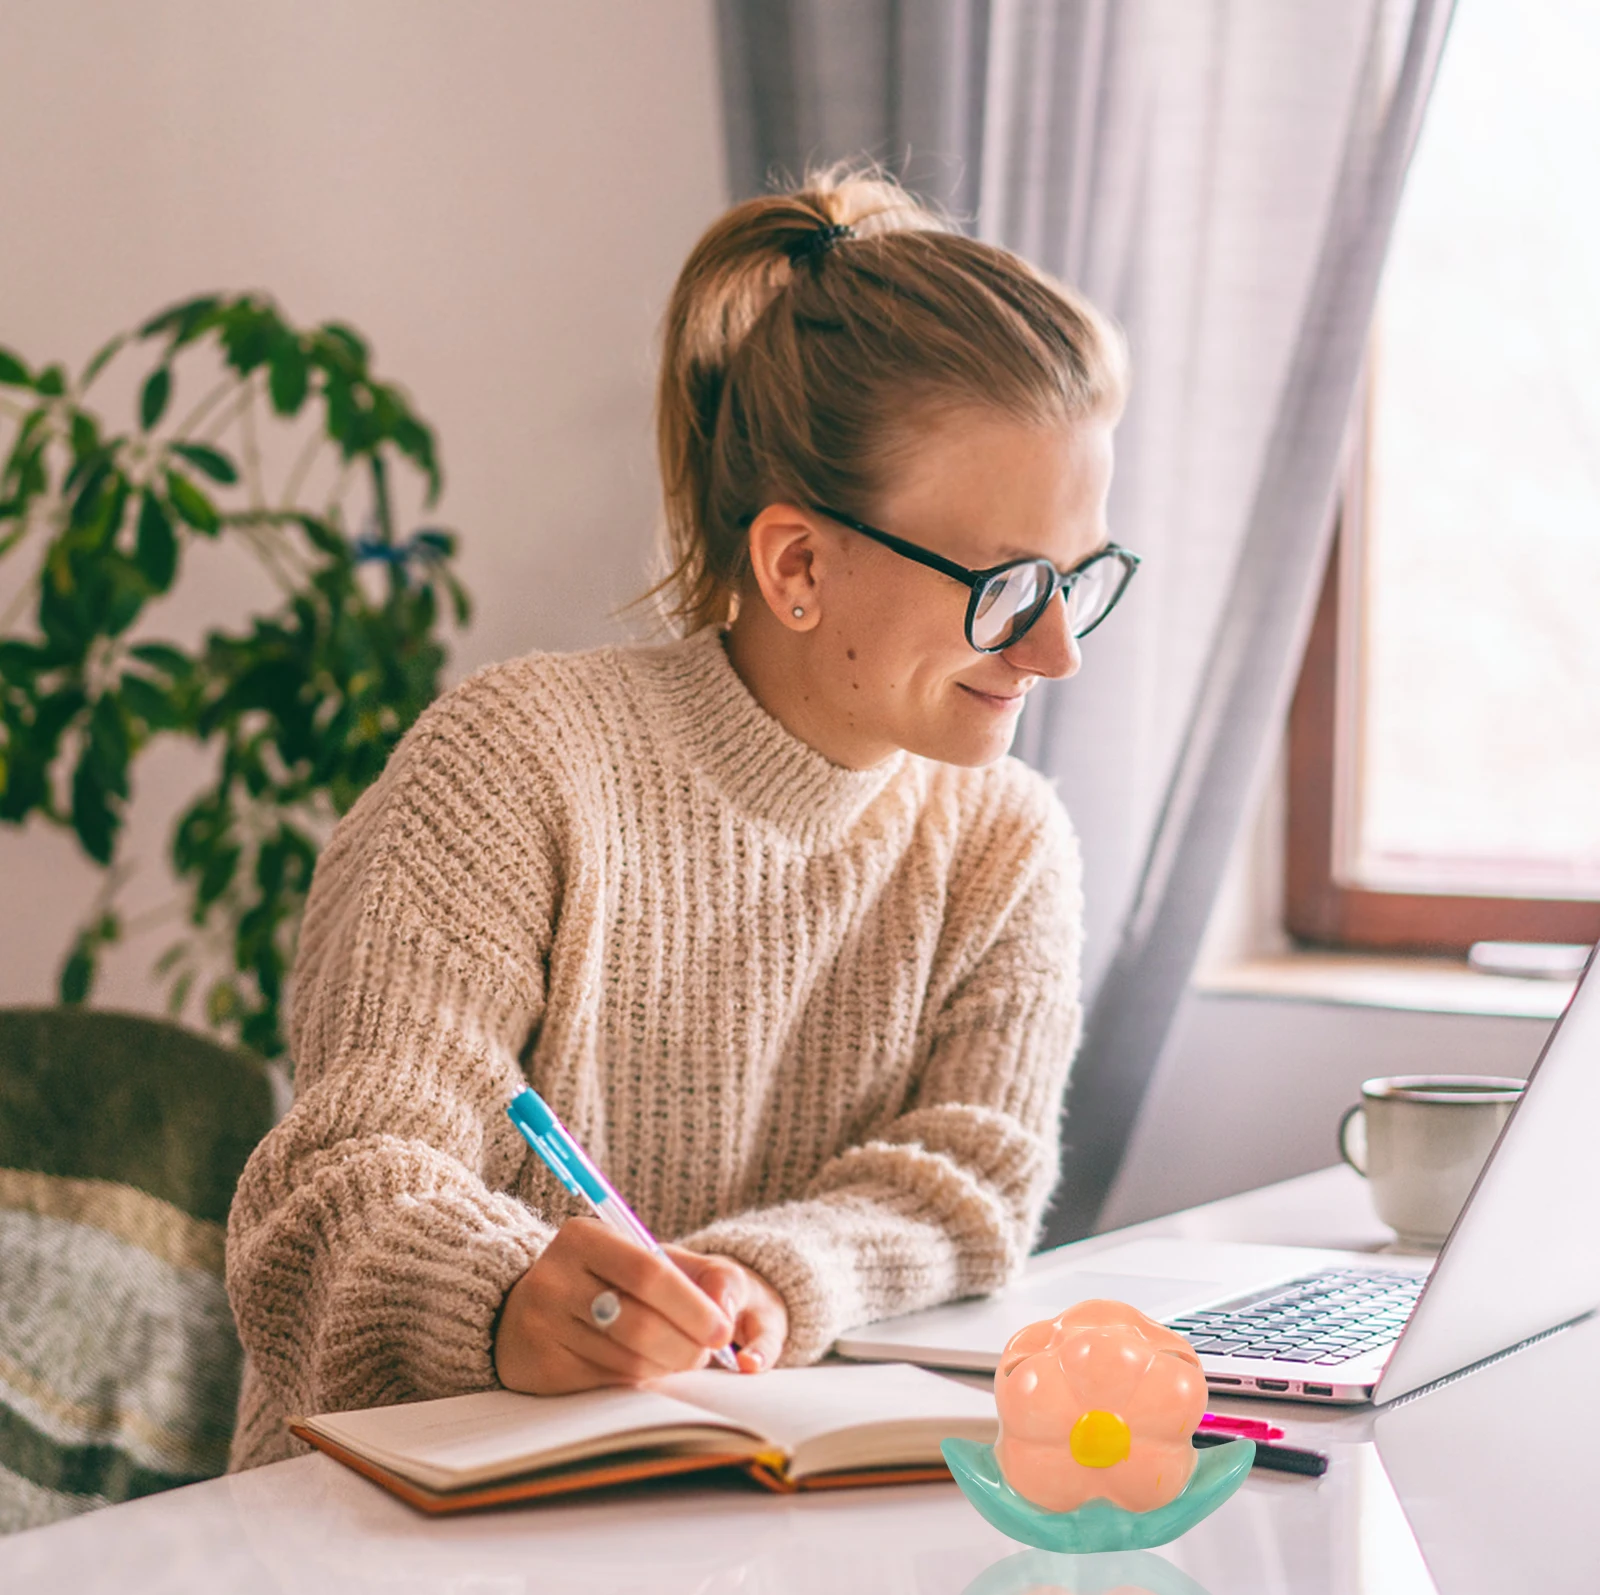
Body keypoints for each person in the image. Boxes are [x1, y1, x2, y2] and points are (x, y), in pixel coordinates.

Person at [225, 168, 1133, 1470]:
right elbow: (333, 1193)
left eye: (1081, 578)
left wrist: (775, 1273)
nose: (1057, 653)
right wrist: (505, 1301)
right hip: (384, 1537)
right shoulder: (513, 767)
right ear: (798, 567)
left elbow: (970, 1180)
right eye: (1010, 588)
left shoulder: (1006, 842)